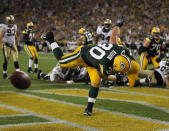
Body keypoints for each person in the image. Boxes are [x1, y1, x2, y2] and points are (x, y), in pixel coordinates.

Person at [43, 29, 140, 116]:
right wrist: (115, 78)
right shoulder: (105, 64)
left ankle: (89, 108)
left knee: (95, 81)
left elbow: (114, 37)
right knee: (62, 62)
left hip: (94, 61)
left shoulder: (121, 50)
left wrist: (118, 27)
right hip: (83, 55)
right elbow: (103, 76)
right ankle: (51, 39)